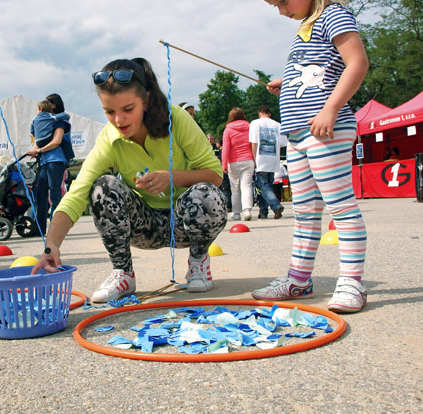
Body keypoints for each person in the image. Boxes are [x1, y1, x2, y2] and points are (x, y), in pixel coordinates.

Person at [32, 58, 227, 303]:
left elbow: (215, 176)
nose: (119, 121)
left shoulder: (175, 118)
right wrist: (51, 246)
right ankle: (123, 272)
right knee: (102, 187)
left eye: (128, 109)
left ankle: (198, 261)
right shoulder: (109, 138)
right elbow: (77, 193)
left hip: (185, 222)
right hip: (144, 226)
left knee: (206, 195)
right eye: (109, 112)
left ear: (145, 100)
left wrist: (171, 177)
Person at [251, 0, 370, 313]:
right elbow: (321, 69)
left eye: (283, 1)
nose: (282, 11)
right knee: (305, 211)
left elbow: (357, 63)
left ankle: (352, 282)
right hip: (299, 133)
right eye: (274, 6)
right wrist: (287, 83)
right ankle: (299, 280)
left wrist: (331, 110)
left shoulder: (333, 15)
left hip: (326, 129)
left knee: (340, 206)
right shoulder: (306, 27)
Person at [27, 94, 71, 238]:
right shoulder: (43, 123)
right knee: (40, 193)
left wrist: (39, 150)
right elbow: (38, 141)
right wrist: (34, 150)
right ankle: (38, 228)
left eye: (48, 102)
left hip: (56, 159)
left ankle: (55, 227)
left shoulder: (60, 121)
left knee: (55, 192)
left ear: (54, 105)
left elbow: (57, 141)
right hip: (44, 161)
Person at [248, 106, 287, 219]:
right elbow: (283, 143)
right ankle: (263, 211)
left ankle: (276, 205)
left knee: (263, 186)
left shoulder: (255, 123)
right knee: (267, 186)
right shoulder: (277, 125)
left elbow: (254, 142)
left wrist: (254, 159)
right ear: (269, 114)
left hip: (261, 158)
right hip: (273, 158)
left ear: (259, 113)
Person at [222, 107, 255, 221]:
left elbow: (226, 148)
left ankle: (236, 213)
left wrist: (224, 164)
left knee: (235, 189)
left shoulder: (228, 130)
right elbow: (253, 144)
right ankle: (247, 211)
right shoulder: (249, 127)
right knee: (246, 186)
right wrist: (255, 160)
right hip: (248, 160)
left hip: (234, 161)